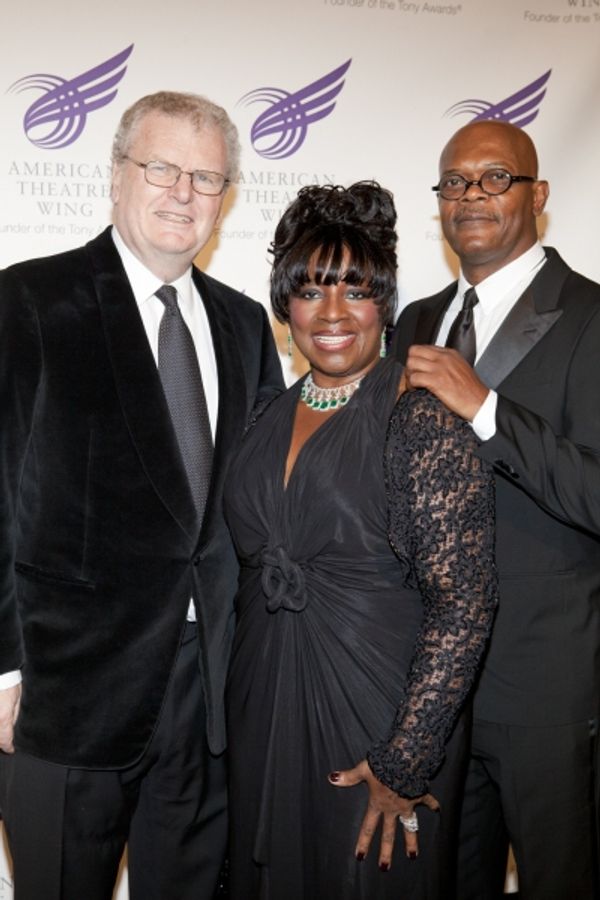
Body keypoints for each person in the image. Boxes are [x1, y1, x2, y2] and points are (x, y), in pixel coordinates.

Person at [0, 90, 283, 900]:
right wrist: (1, 671)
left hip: (208, 702)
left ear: (225, 197)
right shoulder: (29, 300)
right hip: (64, 696)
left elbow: (260, 506)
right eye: (162, 168)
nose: (183, 193)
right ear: (118, 174)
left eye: (206, 177)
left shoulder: (244, 326)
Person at [223, 181, 498, 899]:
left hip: (380, 722)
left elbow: (465, 603)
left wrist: (405, 760)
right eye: (311, 291)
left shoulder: (421, 417)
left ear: (385, 303)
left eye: (355, 289)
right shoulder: (263, 415)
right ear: (285, 306)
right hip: (263, 706)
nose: (333, 312)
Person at [393, 120, 600, 899]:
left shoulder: (590, 316)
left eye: (494, 178)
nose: (471, 195)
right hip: (433, 694)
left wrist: (487, 409)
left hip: (548, 687)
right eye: (454, 182)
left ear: (537, 195)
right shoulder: (416, 321)